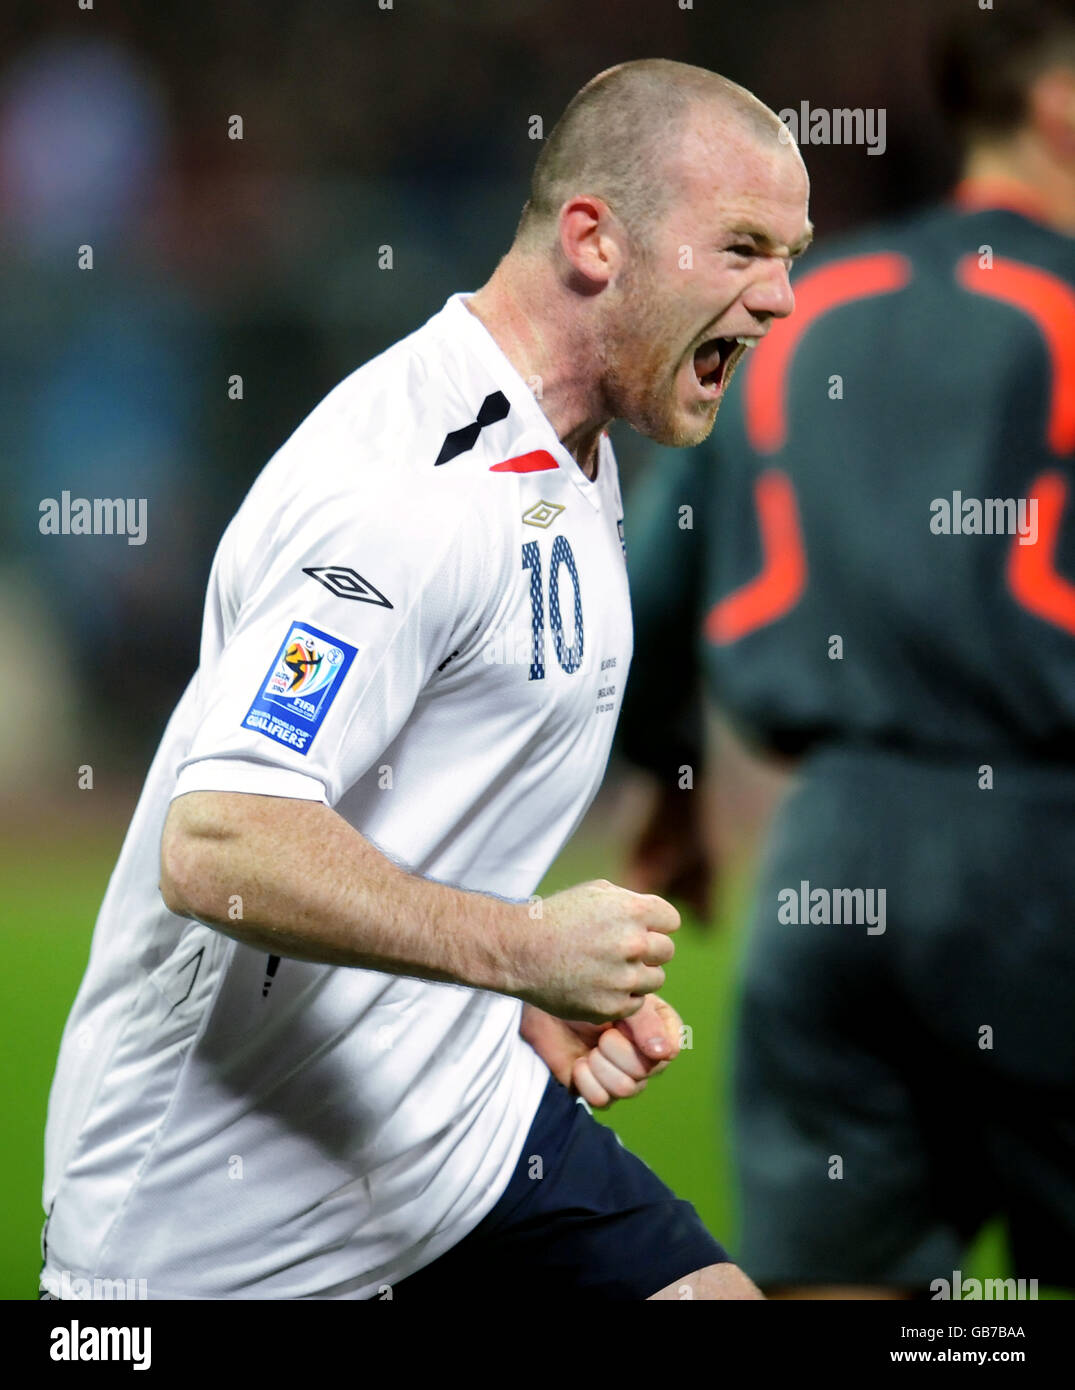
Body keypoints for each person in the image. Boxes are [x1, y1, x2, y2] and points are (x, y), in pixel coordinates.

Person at [39, 59, 810, 1302]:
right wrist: (518, 949)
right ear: (594, 241)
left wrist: (505, 1001)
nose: (778, 298)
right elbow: (221, 839)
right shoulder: (400, 490)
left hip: (459, 1139)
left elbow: (421, 800)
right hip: (215, 1237)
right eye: (741, 247)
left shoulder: (576, 446)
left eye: (790, 253)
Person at [619, 4, 1075, 1298]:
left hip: (829, 865)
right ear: (1054, 108)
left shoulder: (799, 306)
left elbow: (659, 581)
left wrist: (668, 793)